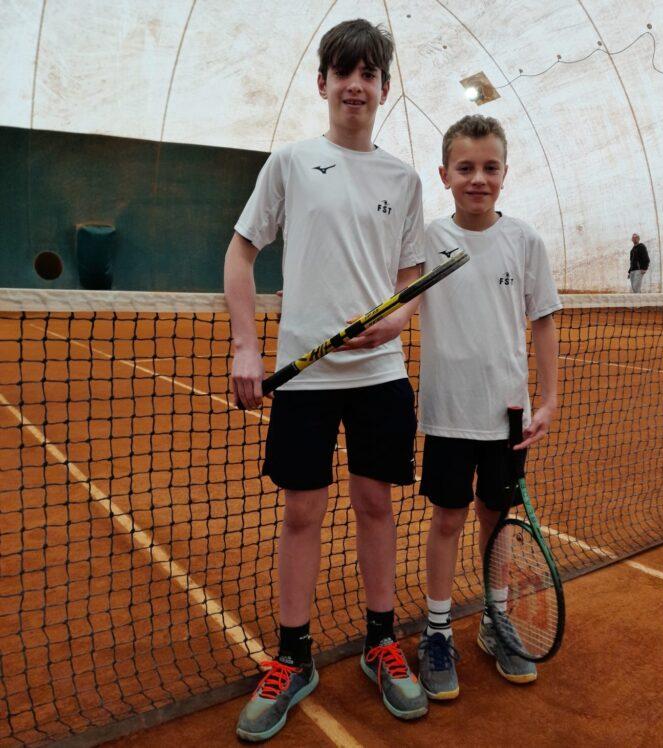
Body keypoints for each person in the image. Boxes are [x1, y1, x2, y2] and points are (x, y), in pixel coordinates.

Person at [224, 18, 428, 742]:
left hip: (379, 377)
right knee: (301, 515)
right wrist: (247, 347)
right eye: (343, 72)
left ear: (384, 88)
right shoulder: (290, 163)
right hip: (305, 377)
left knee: (377, 506)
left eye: (369, 74)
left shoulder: (403, 180)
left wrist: (398, 321)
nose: (355, 85)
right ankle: (293, 658)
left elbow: (410, 277)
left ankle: (381, 642)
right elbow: (241, 254)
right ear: (322, 83)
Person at [415, 115, 561, 700]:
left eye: (490, 168)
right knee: (448, 520)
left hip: (507, 415)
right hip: (448, 412)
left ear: (505, 172)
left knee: (495, 522)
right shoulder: (425, 241)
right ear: (445, 174)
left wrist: (548, 398)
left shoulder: (524, 240)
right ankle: (437, 630)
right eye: (466, 168)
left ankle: (496, 622)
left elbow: (543, 320)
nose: (479, 178)